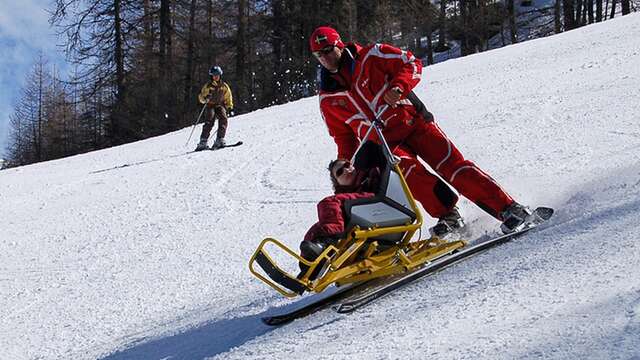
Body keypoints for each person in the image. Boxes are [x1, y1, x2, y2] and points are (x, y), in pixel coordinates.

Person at [309, 26, 531, 236]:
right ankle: (449, 216)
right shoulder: (329, 98)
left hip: (414, 123)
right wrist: (346, 163)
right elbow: (343, 136)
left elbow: (411, 63)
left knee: (452, 167)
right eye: (319, 55)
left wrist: (398, 87)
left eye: (329, 50)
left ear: (340, 44)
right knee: (411, 178)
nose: (326, 58)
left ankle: (509, 208)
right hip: (386, 143)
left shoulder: (372, 56)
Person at [195, 65, 234, 151]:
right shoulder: (208, 86)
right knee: (209, 120)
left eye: (217, 75)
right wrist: (205, 99)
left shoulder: (224, 86)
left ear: (220, 75)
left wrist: (230, 107)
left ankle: (220, 139)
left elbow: (228, 97)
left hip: (220, 105)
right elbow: (201, 97)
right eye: (214, 75)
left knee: (223, 118)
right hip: (210, 105)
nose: (216, 77)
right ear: (211, 76)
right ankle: (203, 141)